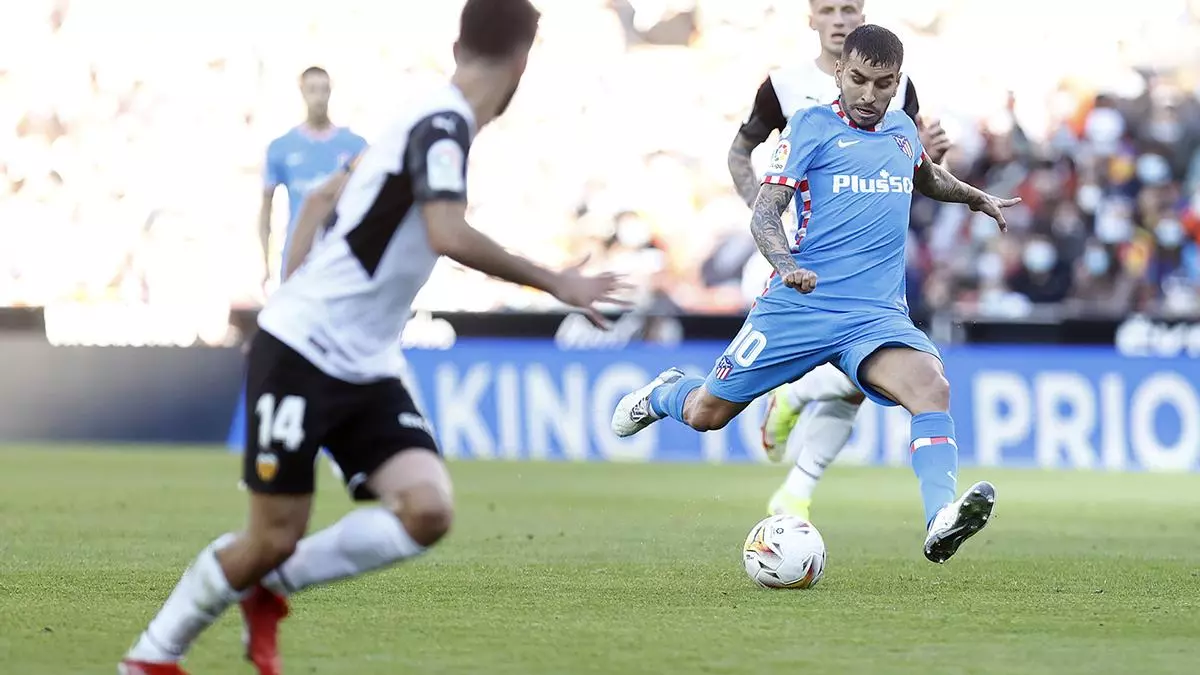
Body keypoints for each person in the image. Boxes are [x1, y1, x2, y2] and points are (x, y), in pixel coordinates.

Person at [119, 2, 626, 673]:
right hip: (302, 352)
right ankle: (151, 656)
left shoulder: (417, 116)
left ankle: (272, 587)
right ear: (522, 64)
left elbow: (322, 197)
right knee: (271, 535)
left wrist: (291, 284)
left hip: (366, 361)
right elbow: (446, 231)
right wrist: (554, 280)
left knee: (426, 510)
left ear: (458, 47)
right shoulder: (443, 125)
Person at [613, 24, 1016, 565]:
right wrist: (786, 266)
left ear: (898, 82)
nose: (869, 94)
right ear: (840, 72)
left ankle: (940, 517)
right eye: (859, 80)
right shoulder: (810, 126)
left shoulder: (901, 129)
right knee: (708, 412)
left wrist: (973, 197)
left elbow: (925, 177)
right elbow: (765, 213)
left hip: (875, 315)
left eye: (884, 84)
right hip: (801, 304)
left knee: (931, 387)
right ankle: (665, 393)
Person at [726, 0, 952, 521]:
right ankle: (793, 410)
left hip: (869, 262)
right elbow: (740, 152)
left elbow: (909, 161)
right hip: (798, 258)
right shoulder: (783, 86)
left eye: (849, 8)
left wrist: (933, 158)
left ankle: (796, 489)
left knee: (861, 375)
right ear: (811, 19)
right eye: (827, 9)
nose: (839, 18)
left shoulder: (897, 85)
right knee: (849, 374)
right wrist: (766, 214)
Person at [226, 66, 368, 471]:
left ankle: (349, 445)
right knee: (287, 351)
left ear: (332, 91)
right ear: (301, 92)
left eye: (324, 88)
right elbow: (266, 210)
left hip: (340, 265)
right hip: (298, 267)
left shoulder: (355, 146)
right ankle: (276, 443)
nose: (319, 96)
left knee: (344, 349)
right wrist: (264, 261)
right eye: (312, 89)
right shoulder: (281, 148)